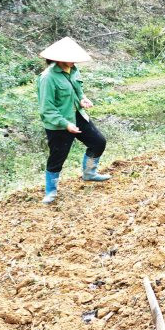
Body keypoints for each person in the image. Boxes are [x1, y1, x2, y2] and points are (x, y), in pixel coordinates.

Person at [37, 37, 110, 204]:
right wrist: (66, 124)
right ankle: (50, 191)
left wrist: (83, 99)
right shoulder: (47, 78)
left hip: (77, 114)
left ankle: (89, 173)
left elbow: (77, 91)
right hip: (58, 122)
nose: (74, 61)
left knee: (98, 142)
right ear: (59, 58)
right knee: (58, 156)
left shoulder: (73, 70)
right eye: (71, 58)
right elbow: (46, 109)